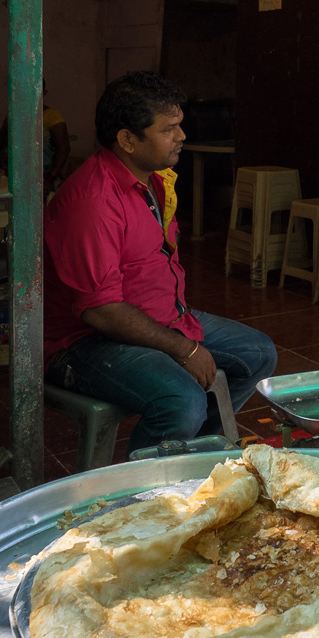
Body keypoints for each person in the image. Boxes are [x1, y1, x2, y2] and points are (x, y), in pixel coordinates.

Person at [43, 70, 277, 454]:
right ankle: (144, 497)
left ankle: (195, 455)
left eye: (180, 126)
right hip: (84, 341)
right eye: (169, 129)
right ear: (128, 140)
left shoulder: (153, 180)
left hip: (158, 315)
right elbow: (100, 311)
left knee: (258, 353)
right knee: (181, 402)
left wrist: (178, 336)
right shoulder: (94, 201)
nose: (182, 137)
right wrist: (183, 349)